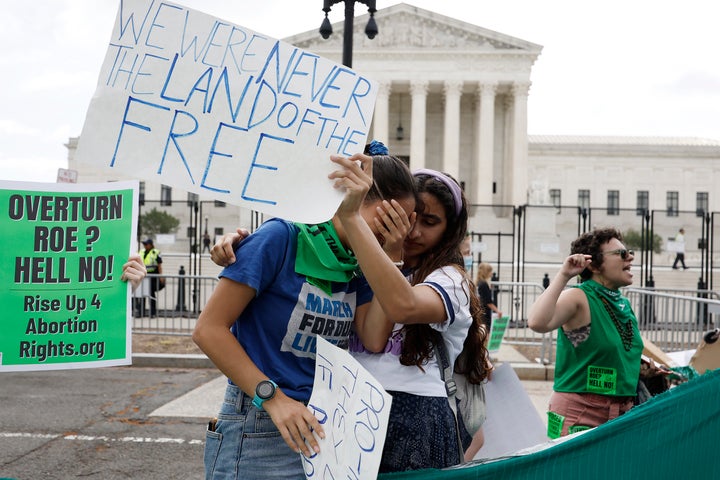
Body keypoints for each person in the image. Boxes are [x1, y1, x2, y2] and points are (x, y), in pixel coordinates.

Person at [192, 152, 417, 480]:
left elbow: (373, 337)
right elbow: (208, 329)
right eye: (389, 218)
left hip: (320, 426)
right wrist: (273, 398)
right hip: (261, 423)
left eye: (404, 224)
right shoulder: (281, 237)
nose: (397, 230)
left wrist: (391, 255)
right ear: (351, 197)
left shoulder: (361, 265)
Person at [333, 159, 491, 471]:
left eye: (429, 222)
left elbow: (403, 306)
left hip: (415, 412)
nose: (412, 231)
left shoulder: (450, 279)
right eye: (405, 217)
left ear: (450, 230)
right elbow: (373, 339)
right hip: (353, 405)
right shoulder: (363, 261)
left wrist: (392, 254)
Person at [527, 228, 647, 437]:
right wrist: (564, 275)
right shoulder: (579, 297)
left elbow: (617, 352)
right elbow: (537, 322)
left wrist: (645, 367)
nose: (630, 257)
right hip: (581, 413)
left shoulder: (622, 304)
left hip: (622, 413)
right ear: (594, 264)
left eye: (628, 251)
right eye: (621, 253)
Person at [134, 238, 163, 317]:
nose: (145, 246)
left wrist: (161, 276)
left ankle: (153, 313)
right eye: (144, 244)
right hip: (143, 276)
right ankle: (141, 312)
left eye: (146, 244)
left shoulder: (155, 252)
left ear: (150, 244)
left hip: (152, 277)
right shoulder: (141, 252)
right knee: (141, 295)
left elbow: (159, 265)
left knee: (151, 295)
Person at [475, 262, 502, 331]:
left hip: (479, 311)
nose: (491, 273)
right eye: (490, 271)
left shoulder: (478, 283)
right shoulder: (483, 284)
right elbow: (488, 301)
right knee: (486, 333)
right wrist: (497, 311)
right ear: (486, 272)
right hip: (485, 313)